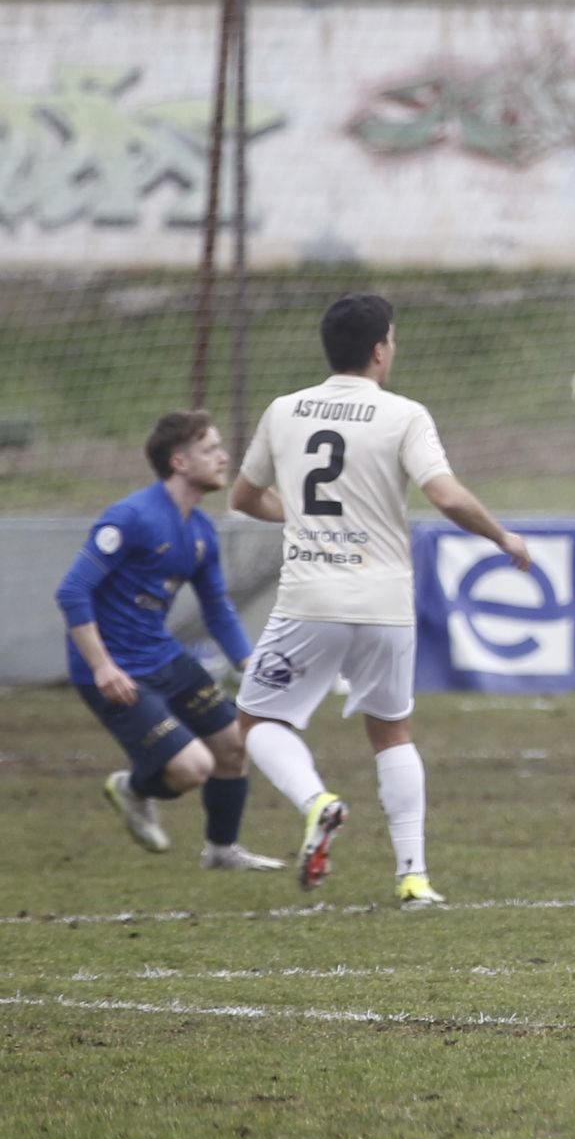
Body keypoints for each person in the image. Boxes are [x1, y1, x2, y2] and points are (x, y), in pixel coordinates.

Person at [229, 293, 530, 907]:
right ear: (377, 350)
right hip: (385, 602)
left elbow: (243, 496)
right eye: (392, 340)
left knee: (257, 721)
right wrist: (501, 535)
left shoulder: (283, 411)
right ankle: (414, 875)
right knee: (392, 732)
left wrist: (307, 522)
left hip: (309, 599)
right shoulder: (403, 415)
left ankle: (317, 801)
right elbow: (445, 496)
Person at [55, 410, 283, 871]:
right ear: (179, 462)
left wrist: (248, 662)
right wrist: (101, 666)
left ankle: (221, 851)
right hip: (116, 671)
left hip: (163, 657)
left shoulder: (200, 531)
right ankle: (132, 790)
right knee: (191, 768)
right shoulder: (132, 516)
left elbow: (217, 608)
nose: (223, 457)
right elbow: (72, 590)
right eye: (209, 449)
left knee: (234, 745)